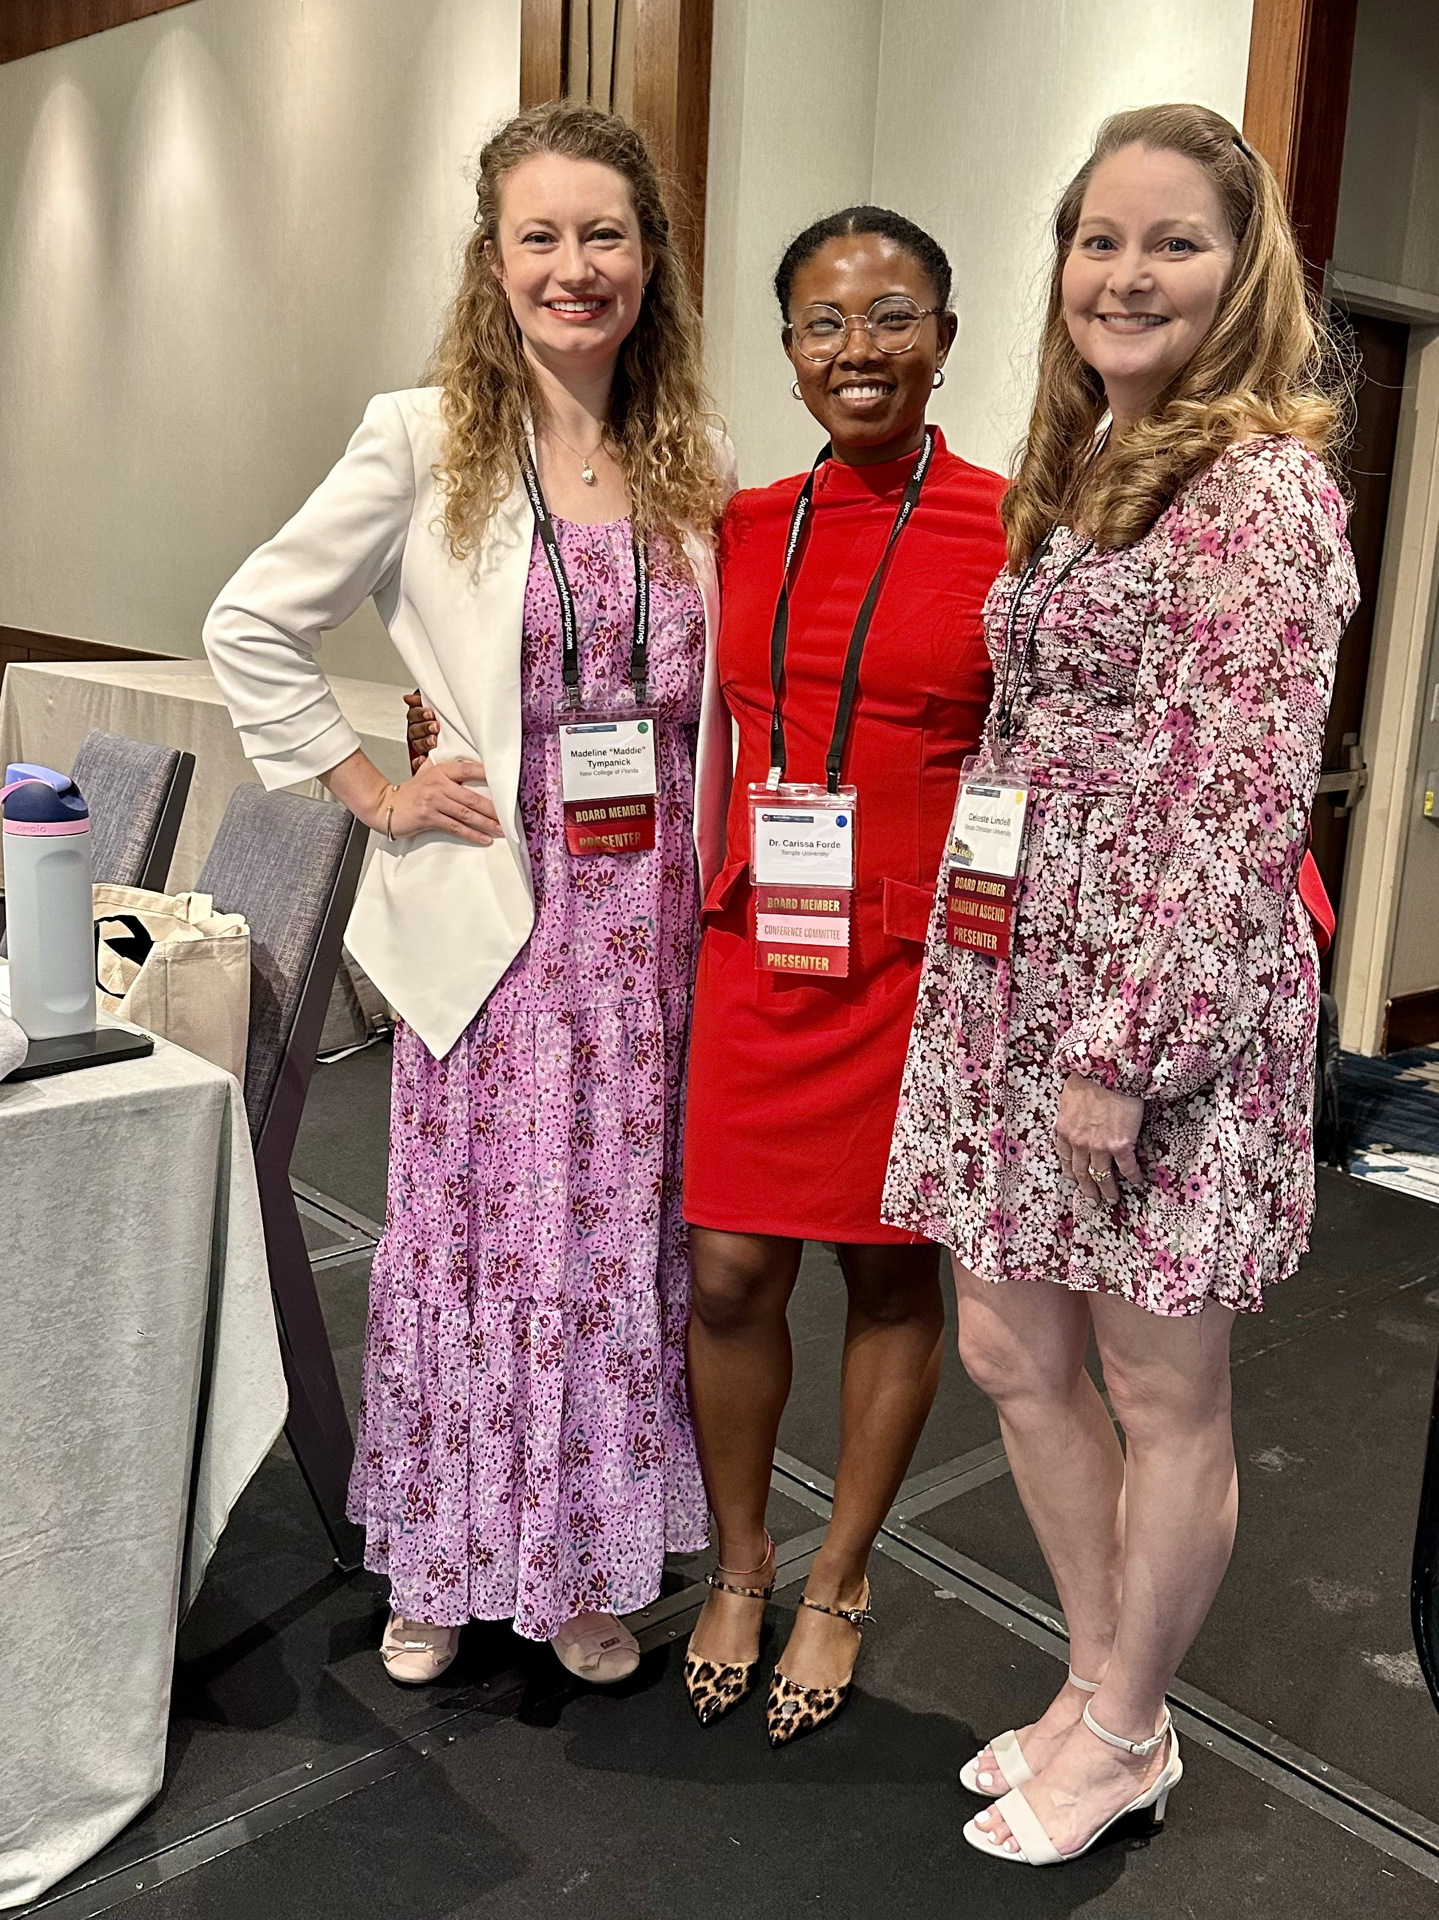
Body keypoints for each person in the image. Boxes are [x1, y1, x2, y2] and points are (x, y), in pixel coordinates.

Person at [204, 103, 734, 1689]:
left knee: (609, 1252)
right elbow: (252, 623)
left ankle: (574, 1563)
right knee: (480, 1245)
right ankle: (443, 1561)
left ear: (650, 257)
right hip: (499, 918)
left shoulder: (696, 464)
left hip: (650, 929)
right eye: (540, 236)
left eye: (605, 234)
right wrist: (370, 790)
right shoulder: (422, 439)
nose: (576, 267)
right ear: (491, 260)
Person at [883, 104, 1358, 1864]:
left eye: (1175, 242)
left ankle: (1132, 1723)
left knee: (1163, 1392)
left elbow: (1235, 797)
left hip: (1154, 1008)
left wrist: (1126, 1048)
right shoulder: (1092, 458)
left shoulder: (1265, 493)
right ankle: (1099, 1684)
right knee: (1009, 1348)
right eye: (1101, 239)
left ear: (1245, 272)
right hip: (1011, 977)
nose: (1128, 275)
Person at [677, 208, 1007, 1745]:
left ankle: (840, 1574)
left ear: (945, 336)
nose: (857, 347)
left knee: (888, 1272)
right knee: (730, 1272)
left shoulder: (1012, 528)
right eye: (824, 320)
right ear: (789, 350)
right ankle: (741, 1558)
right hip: (764, 938)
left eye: (890, 315)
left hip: (920, 962)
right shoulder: (743, 525)